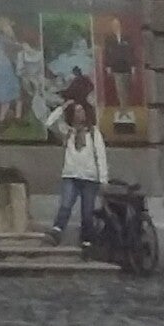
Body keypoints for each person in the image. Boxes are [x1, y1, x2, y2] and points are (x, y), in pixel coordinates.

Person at [46, 92, 109, 244]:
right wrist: (62, 108)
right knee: (65, 205)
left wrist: (103, 179)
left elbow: (101, 155)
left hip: (90, 178)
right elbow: (48, 123)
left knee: (87, 211)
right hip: (71, 175)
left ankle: (86, 239)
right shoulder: (68, 131)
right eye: (76, 111)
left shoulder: (93, 133)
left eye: (81, 111)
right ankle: (57, 231)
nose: (79, 114)